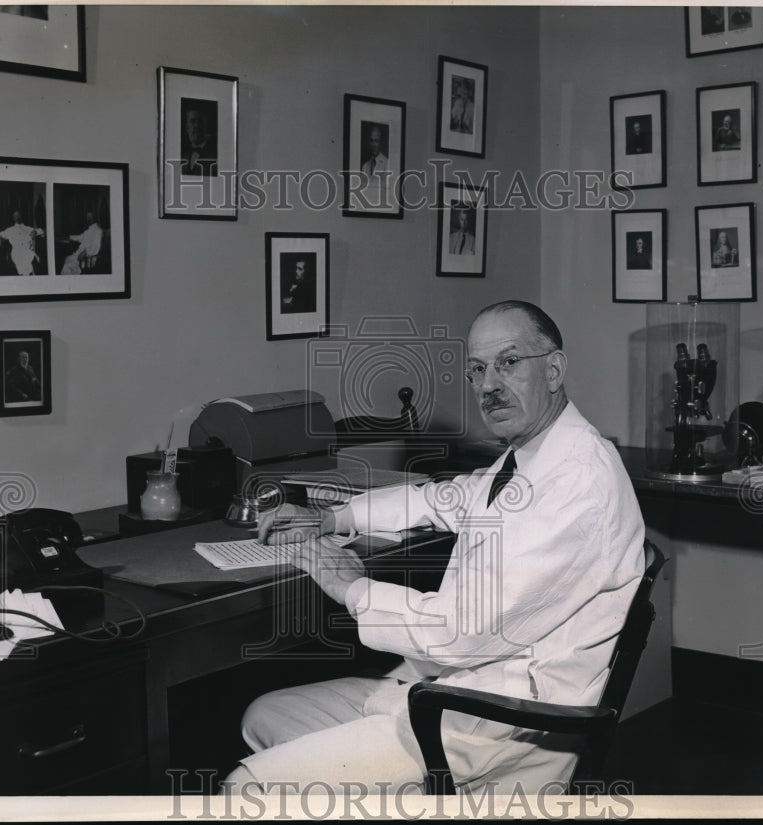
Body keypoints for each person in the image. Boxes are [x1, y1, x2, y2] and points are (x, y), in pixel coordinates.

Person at [226, 300, 646, 795]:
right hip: (459, 688)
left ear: (554, 370)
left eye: (509, 362)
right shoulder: (531, 455)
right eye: (477, 369)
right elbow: (441, 497)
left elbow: (459, 629)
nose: (489, 385)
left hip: (500, 725)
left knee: (247, 786)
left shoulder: (577, 480)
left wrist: (351, 587)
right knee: (267, 716)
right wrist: (331, 516)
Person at [0, 210, 43, 276]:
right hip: (17, 252)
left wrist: (35, 232)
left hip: (27, 251)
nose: (17, 217)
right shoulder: (10, 230)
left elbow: (41, 231)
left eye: (19, 215)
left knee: (31, 259)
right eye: (16, 216)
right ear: (13, 218)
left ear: (21, 217)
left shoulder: (28, 228)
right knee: (23, 262)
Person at [181, 104, 218, 176]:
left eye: (200, 121)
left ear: (206, 125)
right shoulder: (183, 157)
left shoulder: (216, 156)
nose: (196, 125)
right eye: (192, 121)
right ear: (187, 127)